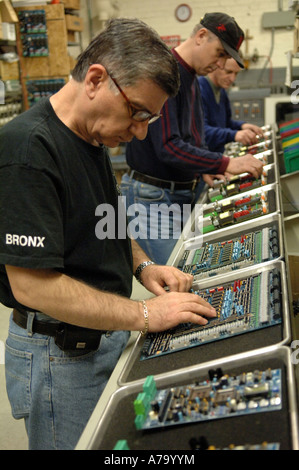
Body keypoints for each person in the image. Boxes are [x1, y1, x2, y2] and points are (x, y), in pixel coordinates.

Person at [0, 18, 217, 450]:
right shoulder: (27, 150)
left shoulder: (91, 140)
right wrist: (146, 316)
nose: (139, 131)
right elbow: (33, 286)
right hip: (60, 357)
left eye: (150, 119)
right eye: (137, 113)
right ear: (96, 79)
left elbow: (106, 216)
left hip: (103, 335)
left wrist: (144, 266)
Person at [121, 12, 264, 265]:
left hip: (179, 193)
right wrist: (225, 163)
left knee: (195, 270)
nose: (221, 65)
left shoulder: (192, 79)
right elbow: (168, 146)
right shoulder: (165, 73)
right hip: (153, 198)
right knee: (178, 280)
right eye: (220, 53)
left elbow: (195, 136)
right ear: (201, 36)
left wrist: (204, 168)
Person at [199, 56, 264, 153]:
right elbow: (201, 132)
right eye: (228, 72)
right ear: (215, 66)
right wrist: (234, 135)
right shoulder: (199, 90)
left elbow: (225, 123)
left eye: (236, 73)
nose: (233, 79)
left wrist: (242, 126)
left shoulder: (221, 92)